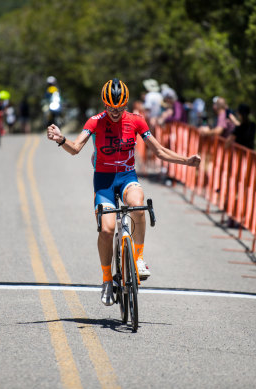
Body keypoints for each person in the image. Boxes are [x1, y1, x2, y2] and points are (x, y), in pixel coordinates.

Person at [47, 78, 201, 306]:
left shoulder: (137, 121)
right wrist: (61, 140)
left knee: (138, 205)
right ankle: (107, 279)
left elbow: (158, 151)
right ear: (104, 104)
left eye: (120, 107)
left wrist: (186, 161)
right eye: (111, 107)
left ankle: (138, 258)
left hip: (127, 176)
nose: (115, 111)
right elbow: (76, 148)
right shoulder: (95, 121)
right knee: (107, 230)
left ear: (126, 104)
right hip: (104, 181)